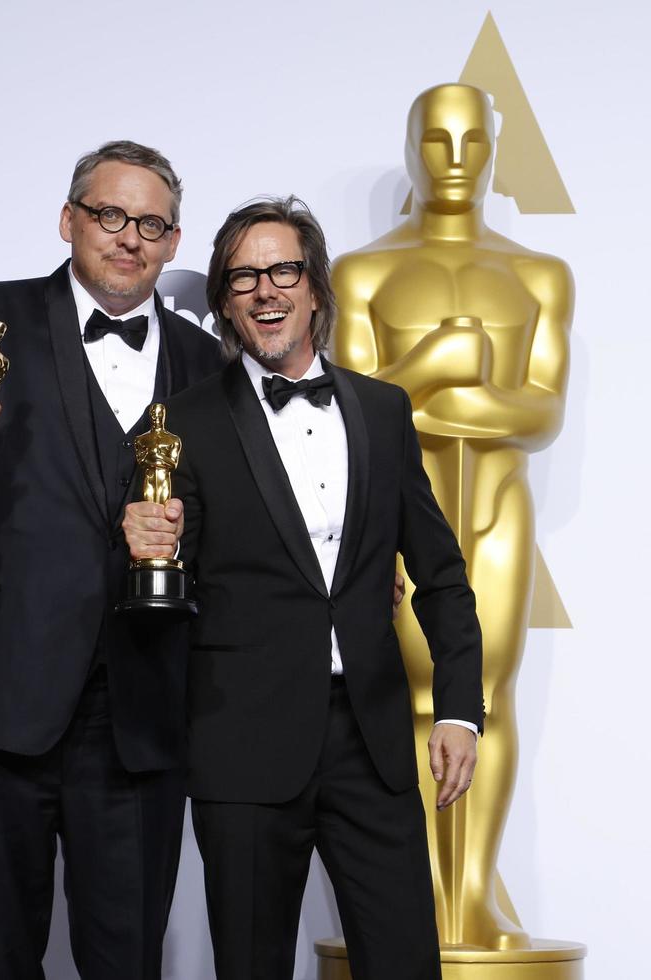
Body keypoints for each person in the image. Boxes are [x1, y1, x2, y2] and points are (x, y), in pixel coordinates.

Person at [0, 141, 221, 980]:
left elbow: (225, 524)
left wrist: (185, 536)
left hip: (139, 714)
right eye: (110, 215)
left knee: (127, 958)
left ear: (175, 243)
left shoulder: (207, 359)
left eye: (151, 223)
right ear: (69, 220)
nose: (128, 237)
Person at [124, 196, 484, 980]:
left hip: (372, 742)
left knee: (406, 965)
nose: (266, 290)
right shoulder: (176, 423)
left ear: (315, 286)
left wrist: (459, 708)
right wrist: (146, 548)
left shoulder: (383, 410)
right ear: (223, 301)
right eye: (244, 276)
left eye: (283, 269)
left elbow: (443, 575)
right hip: (241, 745)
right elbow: (157, 585)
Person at [331, 83, 573, 949]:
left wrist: (438, 393)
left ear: (495, 149)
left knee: (488, 701)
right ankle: (416, 895)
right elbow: (354, 407)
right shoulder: (363, 273)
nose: (458, 159)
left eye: (474, 140)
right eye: (437, 140)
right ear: (410, 148)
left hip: (498, 508)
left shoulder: (538, 275)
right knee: (404, 699)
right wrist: (442, 358)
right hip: (398, 514)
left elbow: (541, 413)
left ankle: (469, 899)